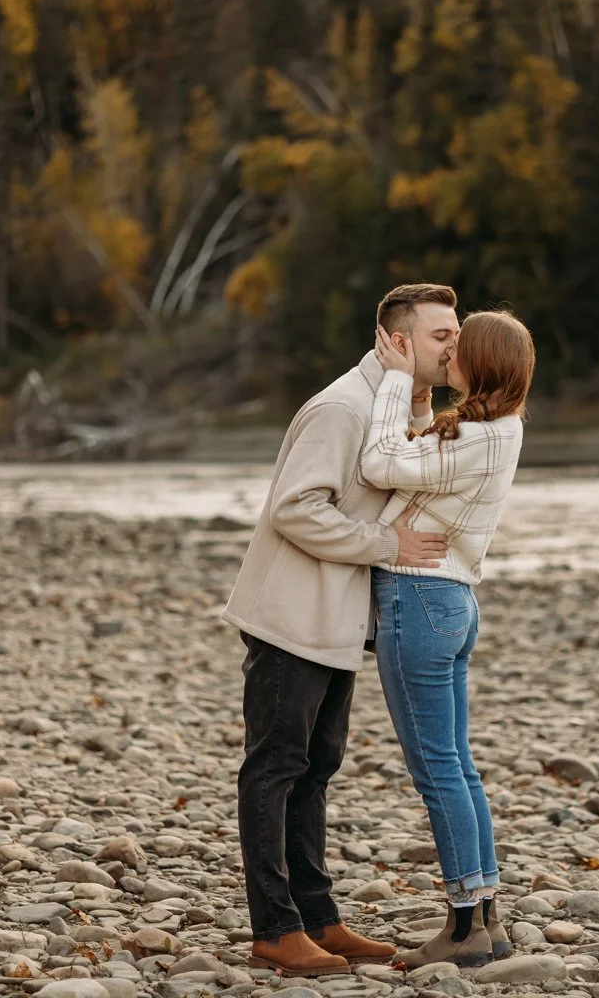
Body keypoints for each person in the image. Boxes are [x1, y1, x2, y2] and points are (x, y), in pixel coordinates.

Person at [221, 284, 463, 977]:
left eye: (456, 333)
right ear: (397, 341)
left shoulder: (397, 407)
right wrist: (387, 545)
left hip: (336, 619)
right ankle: (275, 929)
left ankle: (319, 919)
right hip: (291, 616)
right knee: (275, 769)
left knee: (317, 768)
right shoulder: (341, 408)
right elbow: (296, 507)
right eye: (441, 335)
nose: (455, 346)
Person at [359, 311, 536, 968]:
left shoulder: (480, 438)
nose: (450, 349)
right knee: (457, 766)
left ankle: (463, 930)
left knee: (438, 771)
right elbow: (417, 458)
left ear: (482, 362)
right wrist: (416, 396)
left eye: (461, 344)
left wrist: (393, 380)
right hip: (450, 602)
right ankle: (486, 916)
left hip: (421, 599)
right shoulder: (496, 429)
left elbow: (381, 461)